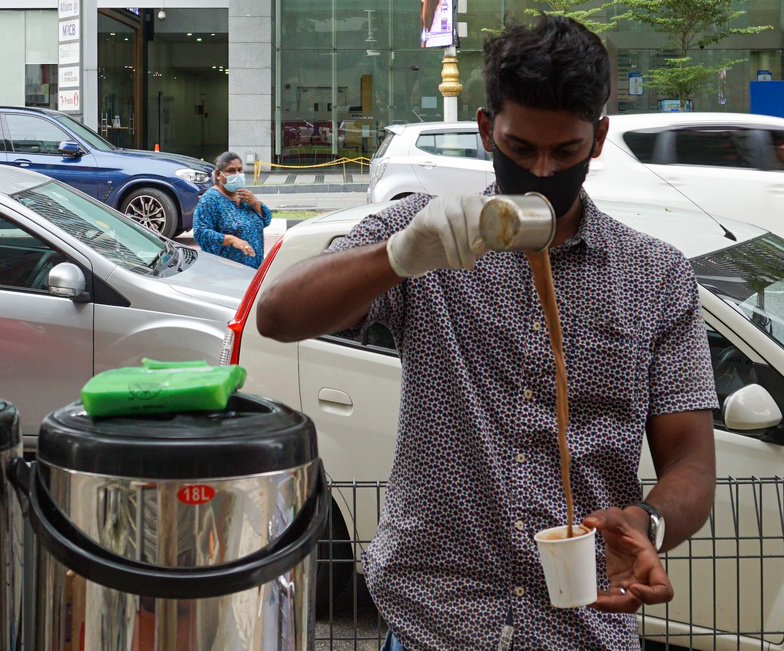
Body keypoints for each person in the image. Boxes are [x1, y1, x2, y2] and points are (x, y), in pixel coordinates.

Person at [255, 16, 718, 650]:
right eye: (520, 149)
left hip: (579, 631)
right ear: (484, 130)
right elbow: (279, 315)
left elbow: (691, 460)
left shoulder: (654, 276)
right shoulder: (428, 236)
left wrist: (649, 522)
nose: (542, 172)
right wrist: (396, 256)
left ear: (599, 139)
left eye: (566, 152)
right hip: (431, 626)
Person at [193, 152, 272, 268]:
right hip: (228, 271)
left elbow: (267, 220)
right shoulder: (210, 200)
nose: (237, 174)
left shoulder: (243, 194)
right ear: (218, 174)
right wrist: (231, 240)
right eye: (231, 171)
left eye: (240, 170)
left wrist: (255, 203)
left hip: (254, 269)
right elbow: (201, 234)